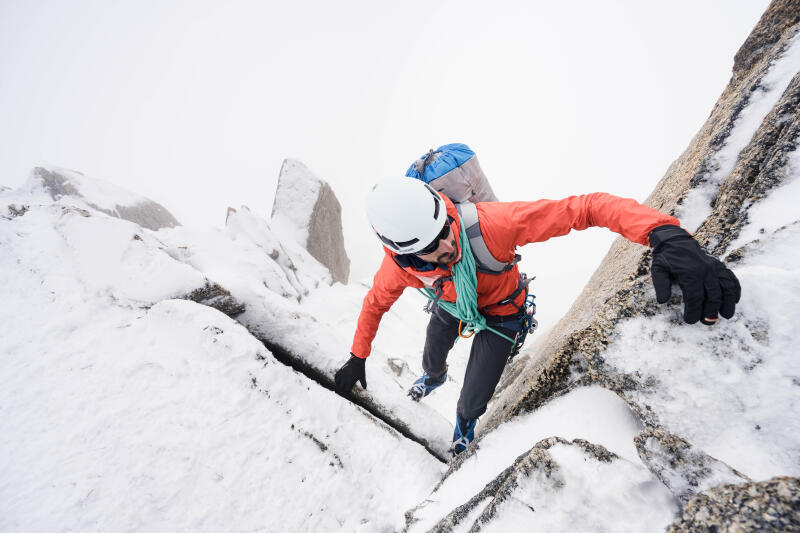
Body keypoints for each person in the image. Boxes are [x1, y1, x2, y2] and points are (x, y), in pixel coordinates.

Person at [334, 178, 741, 456]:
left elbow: (586, 208)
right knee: (432, 351)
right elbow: (374, 306)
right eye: (433, 246)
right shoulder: (398, 270)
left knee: (473, 396)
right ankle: (433, 376)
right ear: (404, 254)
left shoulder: (491, 225)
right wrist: (358, 356)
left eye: (445, 228)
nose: (448, 241)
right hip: (452, 306)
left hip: (502, 314)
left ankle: (463, 428)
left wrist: (662, 233)